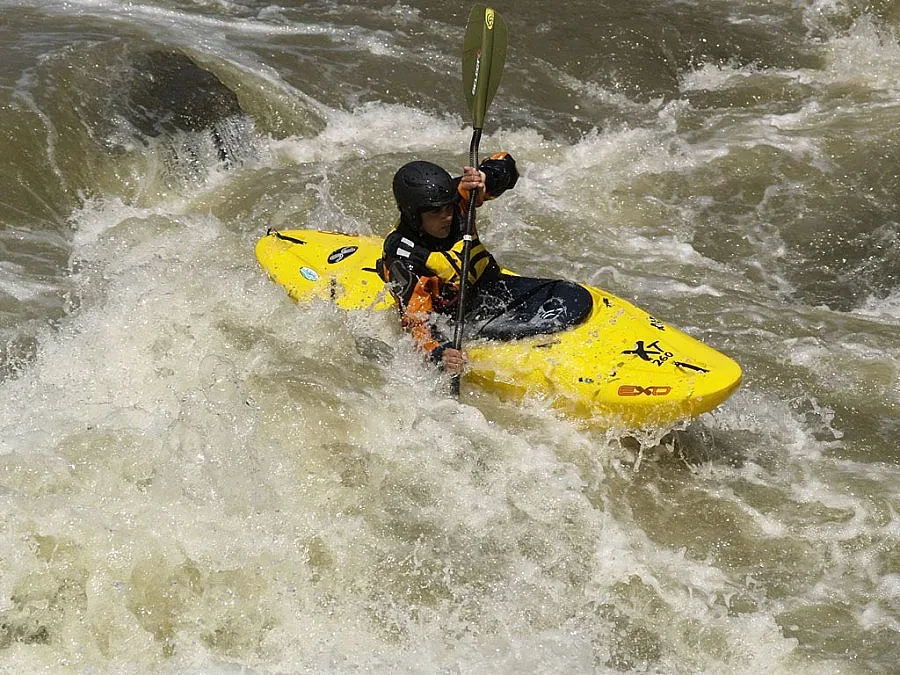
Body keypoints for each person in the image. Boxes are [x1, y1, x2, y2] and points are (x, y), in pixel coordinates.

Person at [379, 155, 592, 376]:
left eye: (448, 208)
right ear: (414, 215)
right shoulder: (403, 258)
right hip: (452, 319)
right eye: (436, 212)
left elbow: (506, 165)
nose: (447, 217)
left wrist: (484, 176)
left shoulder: (455, 196)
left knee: (571, 296)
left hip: (490, 289)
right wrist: (440, 353)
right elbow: (417, 322)